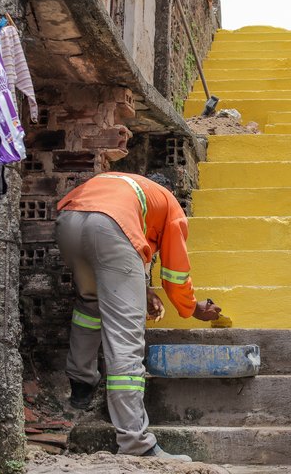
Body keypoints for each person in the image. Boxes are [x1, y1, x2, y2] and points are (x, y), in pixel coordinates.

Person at [55, 171, 222, 460]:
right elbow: (175, 272)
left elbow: (113, 246)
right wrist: (193, 308)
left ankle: (81, 384)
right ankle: (136, 444)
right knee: (124, 338)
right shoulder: (169, 203)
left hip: (69, 222)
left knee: (90, 303)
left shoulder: (122, 183)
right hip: (110, 230)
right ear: (168, 189)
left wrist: (140, 289)